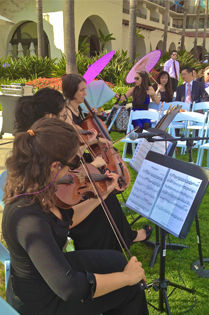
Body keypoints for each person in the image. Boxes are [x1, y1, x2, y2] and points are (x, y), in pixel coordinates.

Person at [2, 117, 149, 315]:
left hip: (50, 277)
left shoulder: (40, 186)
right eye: (71, 163)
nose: (74, 170)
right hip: (42, 302)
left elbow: (67, 219)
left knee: (117, 260)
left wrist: (103, 195)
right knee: (131, 287)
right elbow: (69, 287)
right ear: (54, 166)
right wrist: (127, 278)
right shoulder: (28, 219)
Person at [15, 87, 153, 252]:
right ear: (51, 117)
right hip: (53, 203)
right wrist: (90, 167)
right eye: (64, 116)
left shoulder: (43, 135)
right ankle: (107, 249)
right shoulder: (43, 141)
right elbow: (58, 176)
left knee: (104, 193)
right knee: (102, 200)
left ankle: (117, 244)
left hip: (59, 193)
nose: (68, 120)